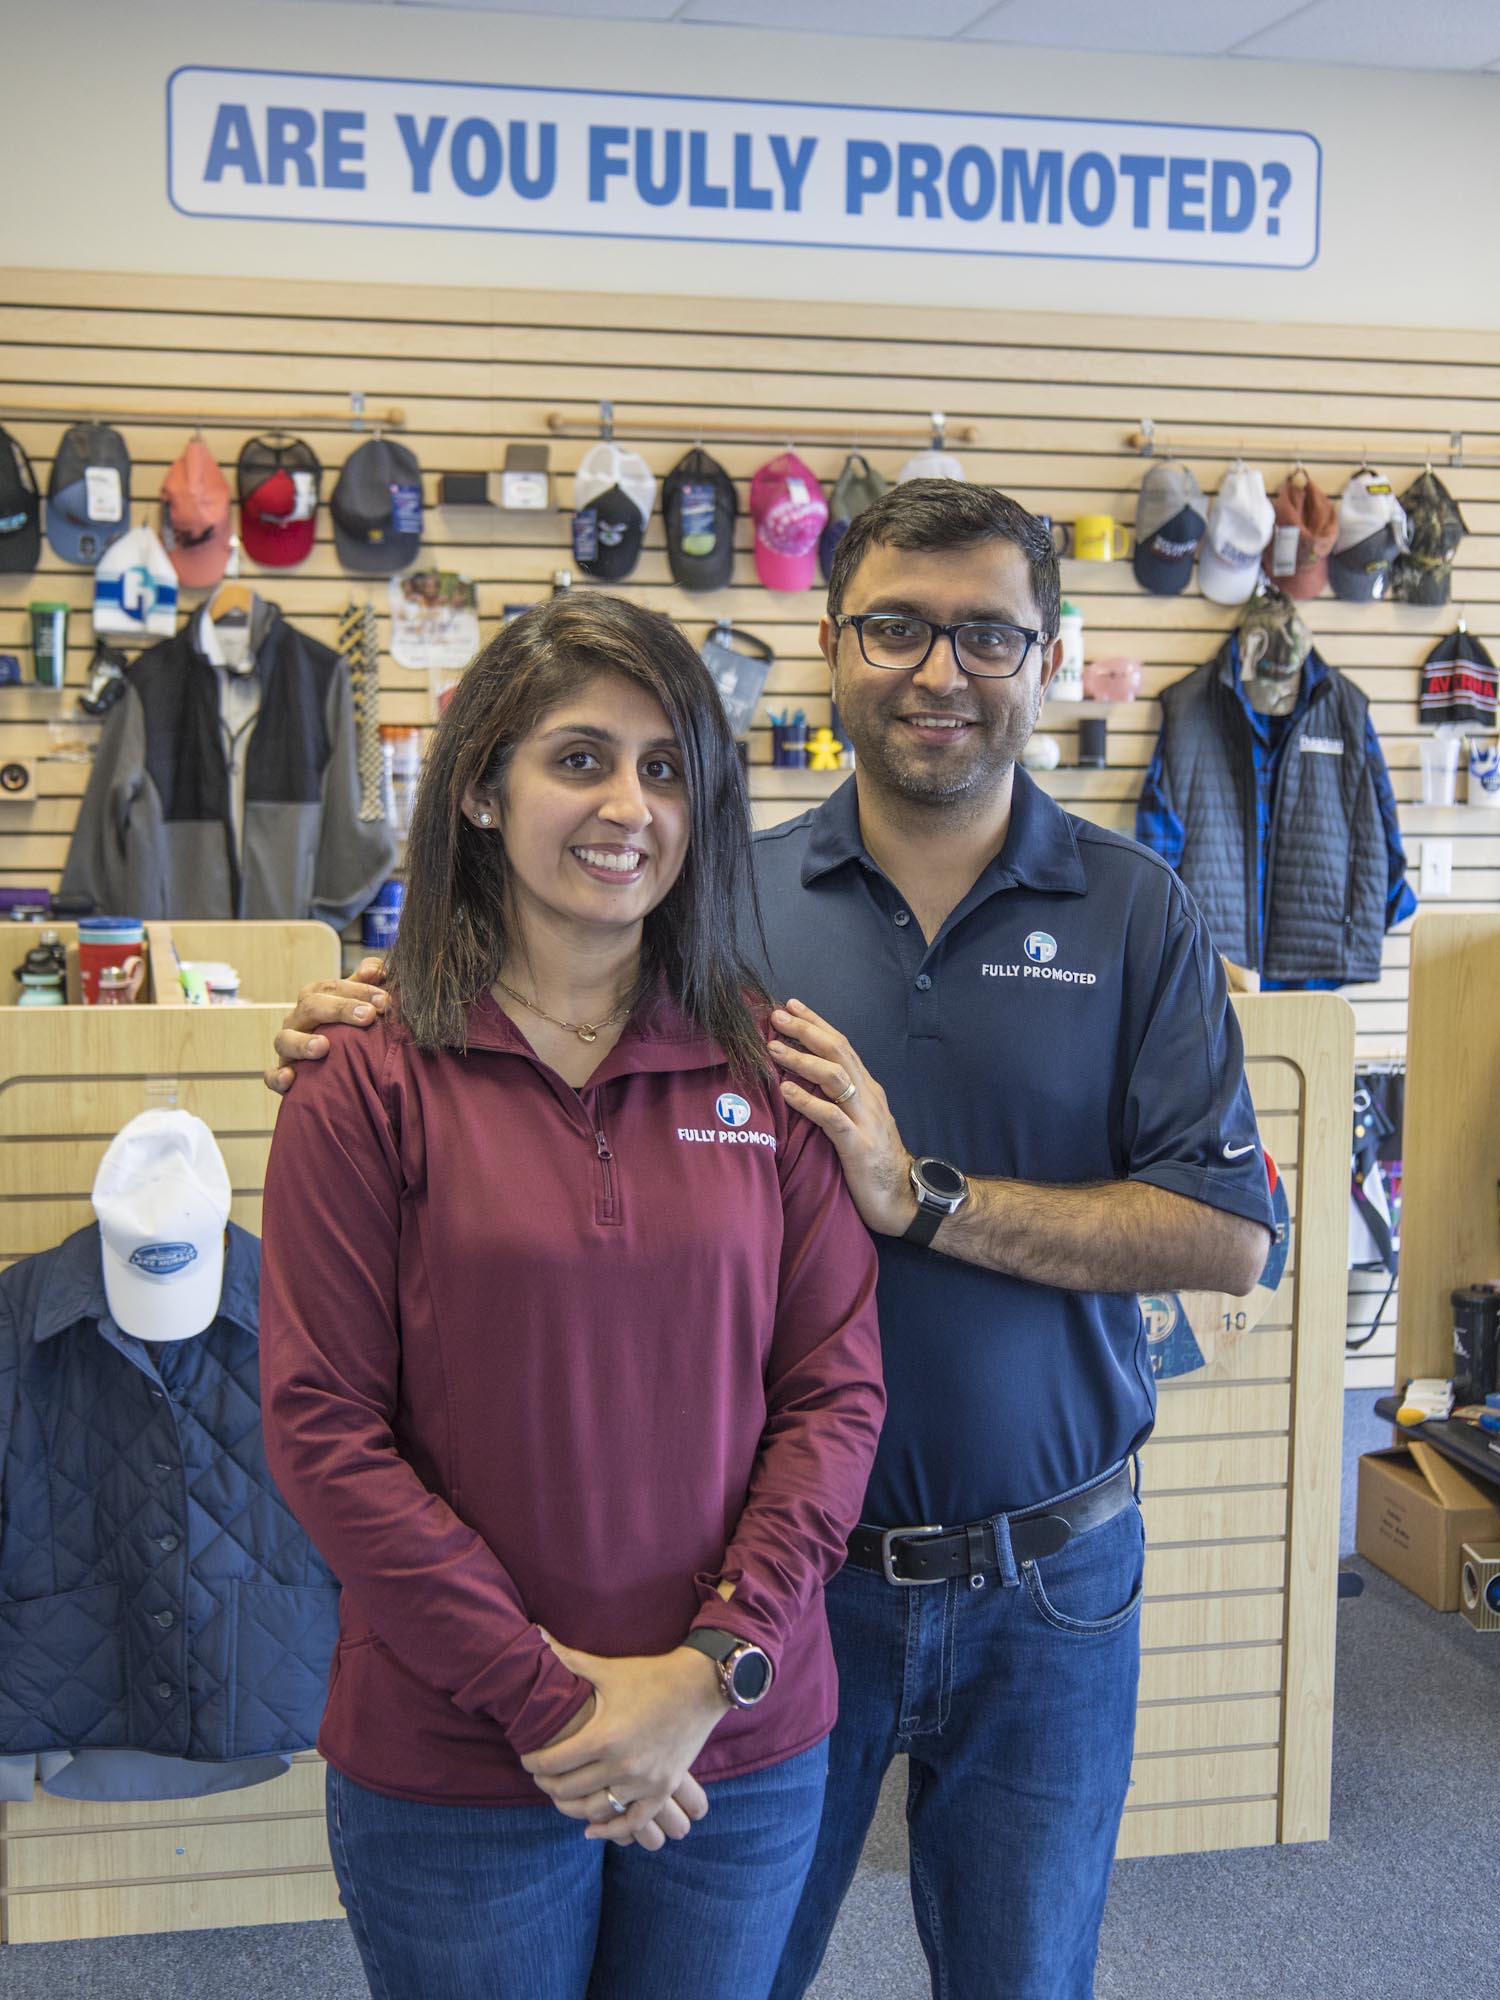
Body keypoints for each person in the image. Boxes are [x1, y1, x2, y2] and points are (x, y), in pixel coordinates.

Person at [270, 484, 1275, 2000]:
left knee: (1024, 1974)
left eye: (989, 635)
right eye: (897, 627)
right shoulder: (718, 900)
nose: (941, 671)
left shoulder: (1138, 912)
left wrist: (921, 1195)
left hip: (1044, 1575)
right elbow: (540, 988)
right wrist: (374, 1020)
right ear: (832, 643)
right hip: (799, 1590)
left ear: (1049, 653)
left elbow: (1228, 1239)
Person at [257, 592, 885, 2000]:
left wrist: (711, 1667)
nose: (628, 807)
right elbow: (320, 1427)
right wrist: (553, 1701)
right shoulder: (365, 1078)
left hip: (734, 1743)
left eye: (667, 769)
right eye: (581, 758)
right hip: (463, 1759)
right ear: (481, 788)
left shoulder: (768, 1071)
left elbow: (834, 1396)